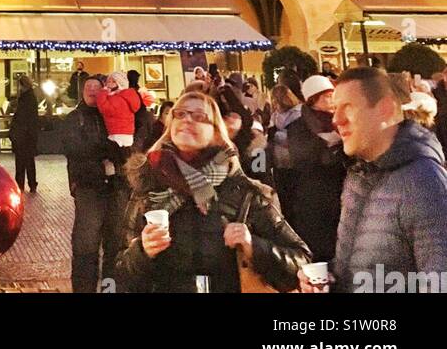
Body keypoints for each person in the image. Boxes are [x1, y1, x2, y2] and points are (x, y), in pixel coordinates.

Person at [117, 91, 309, 294]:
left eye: (199, 116)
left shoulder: (245, 194)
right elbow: (121, 273)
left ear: (216, 132)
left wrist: (253, 245)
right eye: (179, 114)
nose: (187, 120)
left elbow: (301, 262)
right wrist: (142, 252)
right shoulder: (150, 188)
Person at [302, 66, 447, 293]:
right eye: (334, 109)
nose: (336, 120)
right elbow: (359, 267)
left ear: (385, 109)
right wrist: (328, 279)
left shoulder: (423, 182)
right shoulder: (358, 175)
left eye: (347, 108)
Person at [63, 77, 128, 293]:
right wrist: (106, 154)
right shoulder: (75, 118)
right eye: (88, 87)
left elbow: (126, 148)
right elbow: (76, 149)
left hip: (116, 188)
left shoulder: (113, 114)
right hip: (88, 188)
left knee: (115, 245)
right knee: (86, 246)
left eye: (96, 87)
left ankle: (110, 289)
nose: (92, 90)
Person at [273, 74, 346, 264]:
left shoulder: (340, 120)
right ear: (313, 99)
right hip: (314, 200)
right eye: (328, 96)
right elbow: (304, 157)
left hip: (341, 195)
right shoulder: (299, 126)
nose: (333, 100)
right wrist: (332, 147)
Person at [97, 70, 144, 152]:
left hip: (117, 133)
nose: (109, 83)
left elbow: (105, 108)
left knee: (117, 158)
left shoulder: (117, 98)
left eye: (113, 81)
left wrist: (102, 93)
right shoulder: (128, 96)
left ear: (120, 83)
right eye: (108, 81)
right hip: (126, 133)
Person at [8, 72, 39, 193]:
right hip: (29, 135)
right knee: (29, 161)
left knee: (20, 162)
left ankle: (20, 184)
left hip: (22, 136)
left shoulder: (25, 99)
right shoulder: (31, 97)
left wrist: (15, 132)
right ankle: (32, 183)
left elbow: (21, 118)